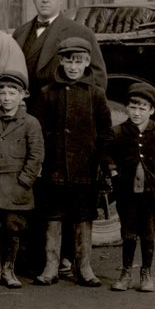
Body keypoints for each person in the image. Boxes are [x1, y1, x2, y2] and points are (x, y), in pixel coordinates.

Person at [33, 38, 112, 287]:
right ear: (62, 61)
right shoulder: (47, 94)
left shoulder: (96, 95)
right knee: (53, 216)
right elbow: (37, 132)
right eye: (69, 61)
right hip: (53, 168)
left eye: (79, 61)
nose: (73, 66)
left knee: (83, 216)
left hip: (85, 169)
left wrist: (105, 164)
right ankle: (51, 266)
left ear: (88, 62)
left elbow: (105, 134)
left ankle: (84, 267)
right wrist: (41, 163)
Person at [103, 81, 155, 293]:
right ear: (126, 108)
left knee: (148, 234)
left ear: (151, 110)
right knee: (128, 233)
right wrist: (114, 172)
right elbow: (106, 153)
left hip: (151, 194)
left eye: (142, 108)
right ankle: (126, 273)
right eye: (133, 107)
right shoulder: (118, 132)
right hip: (126, 193)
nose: (137, 113)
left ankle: (146, 273)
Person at [0, 72, 44, 289]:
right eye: (3, 93)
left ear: (22, 95)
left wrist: (25, 181)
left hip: (17, 186)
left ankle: (9, 269)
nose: (7, 98)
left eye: (12, 93)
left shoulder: (30, 123)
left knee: (13, 228)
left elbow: (36, 155)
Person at [11, 0, 106, 95]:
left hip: (60, 111)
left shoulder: (81, 33)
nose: (45, 0)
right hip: (25, 111)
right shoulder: (20, 33)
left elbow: (98, 82)